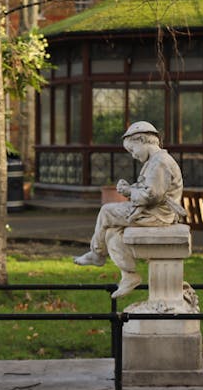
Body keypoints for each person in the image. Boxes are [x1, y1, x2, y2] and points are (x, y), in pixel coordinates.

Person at [74, 121, 185, 298]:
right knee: (111, 234)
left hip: (157, 215)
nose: (133, 156)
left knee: (107, 211)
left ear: (143, 141)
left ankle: (97, 254)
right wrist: (131, 187)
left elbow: (151, 195)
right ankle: (129, 275)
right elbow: (147, 189)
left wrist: (128, 191)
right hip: (150, 211)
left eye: (133, 150)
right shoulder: (154, 161)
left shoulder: (160, 162)